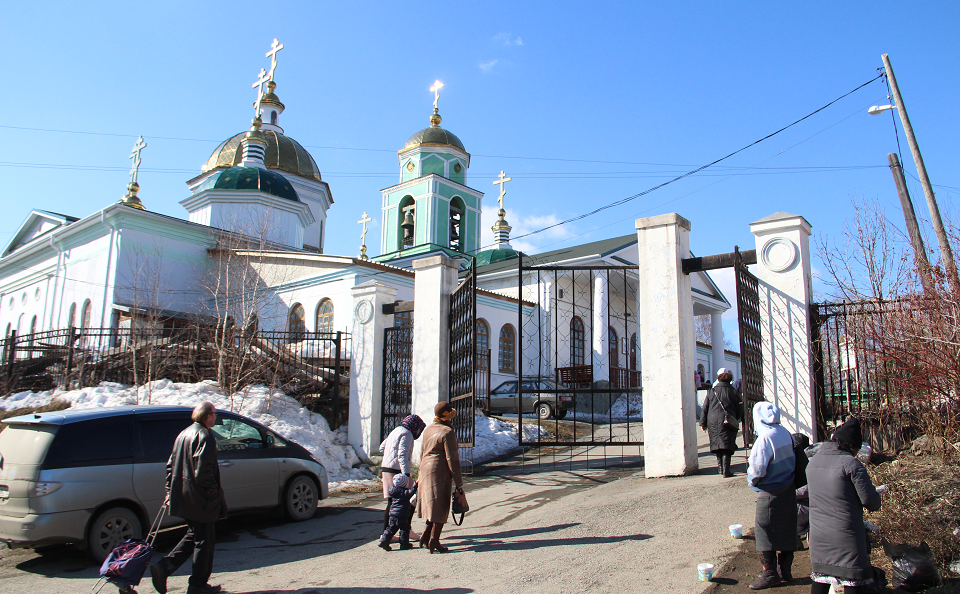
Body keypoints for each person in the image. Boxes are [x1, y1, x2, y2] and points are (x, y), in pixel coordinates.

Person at [151, 402, 226, 594]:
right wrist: (213, 494)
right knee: (205, 542)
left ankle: (165, 567)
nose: (216, 417)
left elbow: (170, 466)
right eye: (215, 414)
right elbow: (203, 473)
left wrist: (170, 491)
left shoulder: (183, 434)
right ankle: (198, 585)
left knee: (195, 535)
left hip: (183, 495)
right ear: (208, 416)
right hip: (200, 498)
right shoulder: (206, 436)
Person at [807, 417, 885, 594]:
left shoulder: (814, 463)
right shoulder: (851, 464)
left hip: (819, 536)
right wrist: (875, 494)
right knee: (852, 580)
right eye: (857, 448)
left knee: (821, 577)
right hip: (845, 536)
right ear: (852, 445)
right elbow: (870, 501)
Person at [746, 401, 797, 590]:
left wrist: (751, 481)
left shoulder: (764, 438)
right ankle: (786, 570)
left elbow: (758, 469)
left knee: (764, 531)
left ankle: (770, 573)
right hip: (788, 487)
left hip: (770, 490)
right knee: (787, 528)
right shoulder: (785, 433)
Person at [417, 401, 466, 553]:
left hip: (425, 468)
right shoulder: (447, 432)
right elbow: (452, 459)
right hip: (439, 471)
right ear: (447, 416)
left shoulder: (428, 429)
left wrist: (419, 473)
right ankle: (434, 540)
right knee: (440, 505)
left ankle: (425, 535)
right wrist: (459, 482)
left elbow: (422, 451)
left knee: (431, 505)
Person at [379, 414, 426, 531]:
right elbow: (402, 455)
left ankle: (386, 533)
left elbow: (382, 447)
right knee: (412, 497)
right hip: (397, 471)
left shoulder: (395, 431)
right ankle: (406, 529)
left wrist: (389, 456)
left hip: (386, 468)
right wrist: (406, 474)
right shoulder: (407, 434)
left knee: (392, 501)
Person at [700, 367, 742, 477]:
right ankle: (726, 470)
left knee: (717, 444)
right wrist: (736, 418)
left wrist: (703, 423)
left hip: (713, 420)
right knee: (727, 444)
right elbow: (739, 408)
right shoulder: (733, 391)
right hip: (727, 420)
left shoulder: (711, 391)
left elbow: (705, 408)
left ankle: (720, 468)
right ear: (729, 380)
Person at [378, 474, 418, 551]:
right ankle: (404, 544)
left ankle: (384, 541)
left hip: (393, 514)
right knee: (405, 529)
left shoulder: (393, 491)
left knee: (391, 528)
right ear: (404, 484)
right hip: (401, 515)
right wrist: (415, 484)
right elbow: (412, 491)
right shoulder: (404, 493)